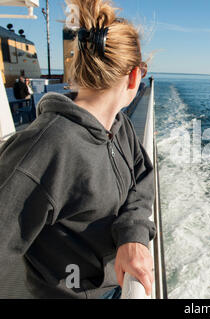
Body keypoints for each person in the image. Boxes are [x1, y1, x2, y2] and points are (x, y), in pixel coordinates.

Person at [0, 0, 154, 299]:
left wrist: (132, 234)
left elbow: (143, 178)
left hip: (115, 287)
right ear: (135, 76)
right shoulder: (46, 147)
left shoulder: (119, 128)